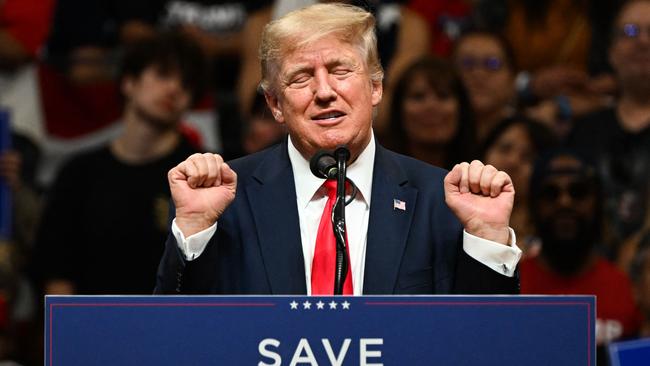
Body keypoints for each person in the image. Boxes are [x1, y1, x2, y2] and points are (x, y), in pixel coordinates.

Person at [156, 3, 521, 296]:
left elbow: (487, 340)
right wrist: (194, 229)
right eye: (301, 77)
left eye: (340, 70)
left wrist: (487, 240)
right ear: (275, 104)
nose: (324, 91)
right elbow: (176, 335)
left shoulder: (440, 201)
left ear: (376, 86)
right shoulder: (225, 200)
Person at [33, 32, 206, 295]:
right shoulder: (79, 173)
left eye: (187, 84)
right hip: (91, 327)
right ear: (128, 82)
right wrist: (70, 333)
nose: (175, 89)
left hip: (177, 325)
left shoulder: (201, 173)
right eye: (162, 74)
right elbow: (57, 273)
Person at [521, 149, 641, 360]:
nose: (564, 202)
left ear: (598, 204)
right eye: (550, 193)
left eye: (578, 192)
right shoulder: (510, 287)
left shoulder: (628, 289)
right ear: (534, 206)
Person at [569, 0, 650, 266]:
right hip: (589, 274)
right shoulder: (584, 130)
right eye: (630, 32)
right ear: (611, 51)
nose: (642, 41)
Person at [379, 56, 477, 170]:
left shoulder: (483, 175)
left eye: (443, 95)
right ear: (398, 109)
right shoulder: (374, 175)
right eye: (418, 97)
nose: (431, 106)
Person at [479, 116, 557, 254]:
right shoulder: (453, 222)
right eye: (504, 149)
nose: (512, 162)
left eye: (528, 157)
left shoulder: (554, 239)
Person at [452, 30, 517, 142]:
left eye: (492, 64)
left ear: (512, 76)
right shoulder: (432, 138)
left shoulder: (533, 138)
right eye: (467, 63)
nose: (478, 73)